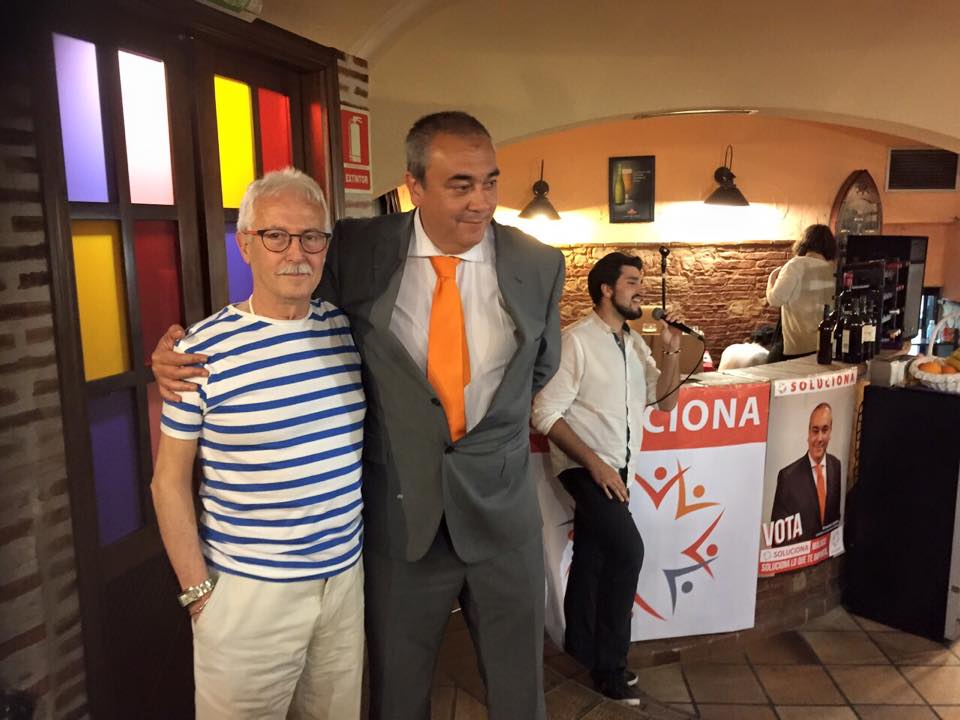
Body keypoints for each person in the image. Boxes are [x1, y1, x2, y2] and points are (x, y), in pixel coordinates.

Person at [152, 112, 565, 720]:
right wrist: (175, 353)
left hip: (502, 519)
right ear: (414, 186)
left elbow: (540, 367)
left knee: (521, 696)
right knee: (396, 695)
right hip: (398, 524)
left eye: (490, 182)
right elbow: (277, 300)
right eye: (460, 185)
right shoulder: (357, 247)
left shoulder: (539, 264)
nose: (481, 202)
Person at [150, 168, 366, 719]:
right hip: (248, 595)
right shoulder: (200, 351)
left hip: (343, 584)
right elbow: (167, 482)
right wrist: (198, 594)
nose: (296, 252)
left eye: (311, 236)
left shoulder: (344, 329)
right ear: (246, 244)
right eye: (276, 236)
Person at [530, 252, 681, 704]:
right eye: (632, 281)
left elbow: (666, 401)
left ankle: (580, 650)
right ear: (606, 289)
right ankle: (610, 668)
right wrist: (594, 464)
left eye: (641, 282)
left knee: (593, 557)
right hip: (585, 470)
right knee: (628, 552)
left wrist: (671, 345)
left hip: (619, 469)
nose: (641, 290)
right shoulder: (577, 342)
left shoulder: (634, 344)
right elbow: (544, 412)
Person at [770, 402, 842, 545]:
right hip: (801, 558)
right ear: (808, 434)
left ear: (830, 433)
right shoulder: (787, 478)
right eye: (815, 431)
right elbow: (778, 539)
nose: (820, 438)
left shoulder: (836, 465)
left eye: (825, 430)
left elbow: (834, 518)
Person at [766, 224, 837, 360]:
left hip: (798, 345)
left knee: (769, 365)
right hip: (825, 343)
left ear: (804, 242)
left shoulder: (795, 265)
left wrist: (772, 278)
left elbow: (776, 299)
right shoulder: (832, 269)